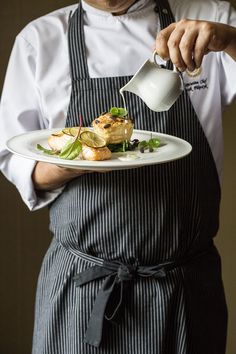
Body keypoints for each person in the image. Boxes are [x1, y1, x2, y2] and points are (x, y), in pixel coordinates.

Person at [0, 0, 236, 353]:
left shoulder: (212, 17)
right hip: (83, 290)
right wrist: (71, 162)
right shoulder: (39, 40)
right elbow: (16, 160)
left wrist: (231, 41)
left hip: (184, 290)